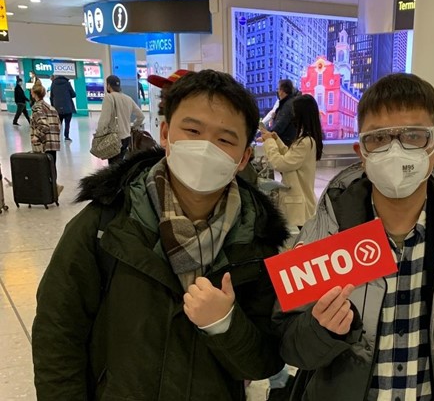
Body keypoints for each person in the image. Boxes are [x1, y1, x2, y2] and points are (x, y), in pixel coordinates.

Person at [32, 70, 288, 400]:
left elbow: (262, 362)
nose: (205, 148)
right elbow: (58, 332)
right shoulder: (106, 223)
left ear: (243, 158)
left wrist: (225, 324)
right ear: (165, 133)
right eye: (192, 130)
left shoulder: (257, 244)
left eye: (225, 139)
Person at [275, 73, 434, 401]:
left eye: (414, 136)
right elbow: (289, 342)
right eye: (379, 139)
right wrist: (322, 331)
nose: (396, 150)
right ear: (361, 152)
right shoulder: (324, 235)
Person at [259, 94, 323, 229]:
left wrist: (269, 142)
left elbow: (281, 163)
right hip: (299, 205)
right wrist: (275, 139)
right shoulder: (306, 140)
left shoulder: (305, 142)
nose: (291, 116)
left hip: (299, 207)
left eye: (293, 112)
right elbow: (290, 156)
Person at [97, 75, 145, 165]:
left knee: (113, 165)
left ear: (108, 85)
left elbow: (104, 120)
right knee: (120, 162)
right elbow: (141, 116)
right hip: (126, 137)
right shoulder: (128, 98)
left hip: (113, 138)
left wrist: (99, 134)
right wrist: (133, 125)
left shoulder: (109, 98)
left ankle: (115, 179)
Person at [30, 83, 64, 196]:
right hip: (53, 142)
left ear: (34, 94)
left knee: (42, 169)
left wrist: (37, 137)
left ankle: (47, 192)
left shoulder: (37, 108)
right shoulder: (50, 107)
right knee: (51, 167)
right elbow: (58, 124)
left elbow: (44, 126)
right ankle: (54, 189)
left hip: (44, 143)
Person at [268, 79, 297, 146]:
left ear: (282, 91)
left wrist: (268, 135)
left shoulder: (287, 105)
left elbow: (280, 125)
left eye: (278, 89)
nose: (277, 92)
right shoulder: (289, 103)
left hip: (285, 143)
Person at [50, 74, 77, 141]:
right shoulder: (67, 84)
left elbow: (51, 96)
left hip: (57, 108)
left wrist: (53, 105)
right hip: (68, 107)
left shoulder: (53, 84)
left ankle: (57, 136)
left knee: (59, 123)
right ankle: (66, 136)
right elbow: (73, 95)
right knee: (67, 123)